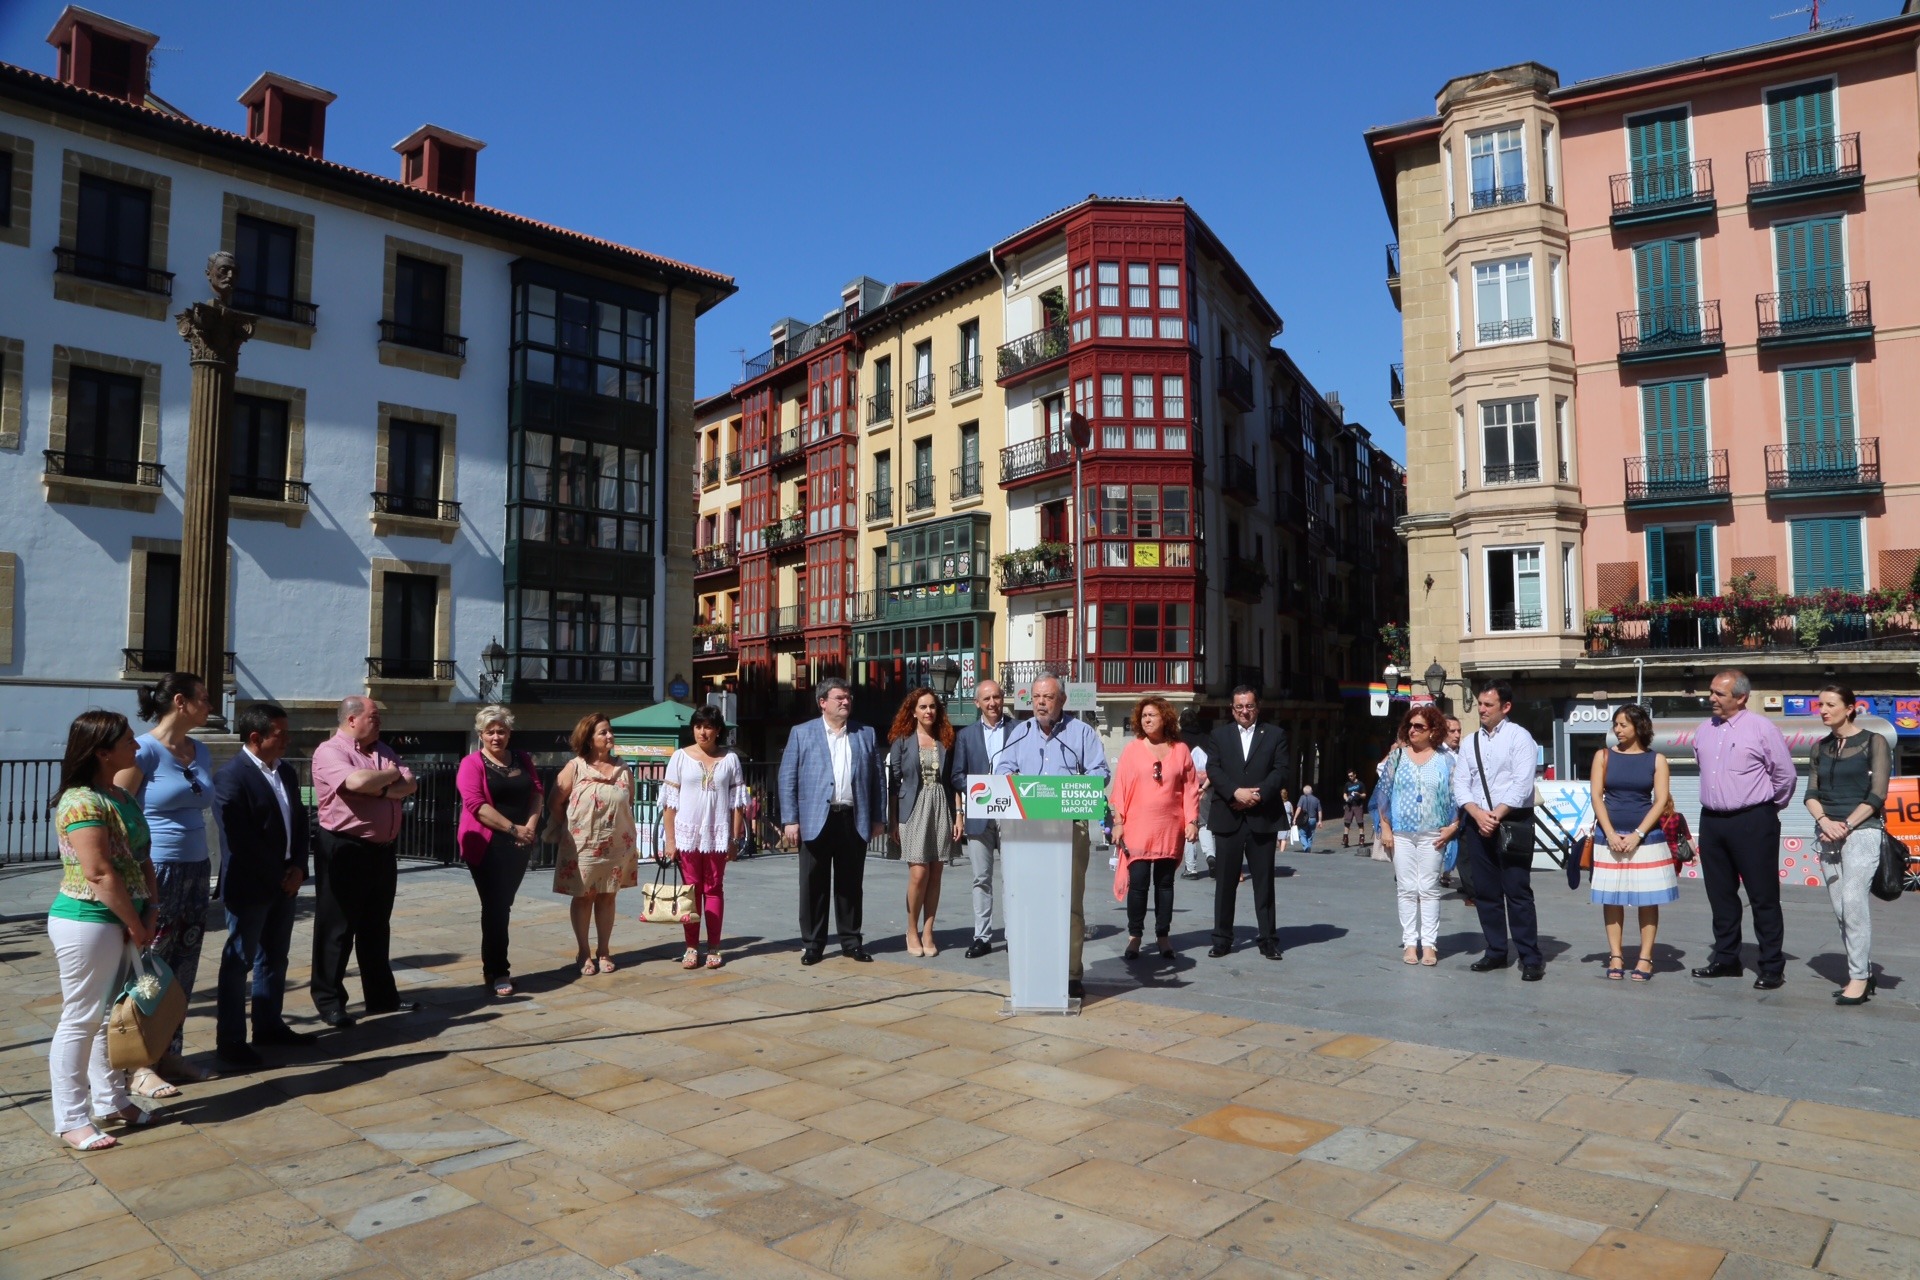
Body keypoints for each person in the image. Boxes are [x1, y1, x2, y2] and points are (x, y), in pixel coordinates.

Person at [48, 710, 156, 1151]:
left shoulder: (119, 795)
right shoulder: (81, 802)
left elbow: (143, 857)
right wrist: (134, 921)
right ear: (101, 752)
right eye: (128, 740)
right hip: (88, 921)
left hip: (125, 920)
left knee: (109, 1015)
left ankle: (111, 1100)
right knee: (81, 1018)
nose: (137, 745)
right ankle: (71, 1117)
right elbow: (97, 871)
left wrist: (150, 913)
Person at [113, 672, 216, 1096]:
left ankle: (170, 1052)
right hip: (158, 870)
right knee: (150, 964)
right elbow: (118, 815)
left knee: (184, 963)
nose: (210, 705)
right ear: (180, 701)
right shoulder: (143, 751)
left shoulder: (201, 750)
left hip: (196, 868)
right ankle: (138, 1063)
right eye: (204, 698)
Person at [994, 674, 1112, 999]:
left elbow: (1101, 773)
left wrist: (1071, 786)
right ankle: (1035, 968)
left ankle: (1071, 974)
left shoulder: (1081, 733)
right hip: (1028, 830)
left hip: (1070, 826)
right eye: (1036, 697)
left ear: (1062, 700)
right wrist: (1015, 781)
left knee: (1069, 902)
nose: (1041, 703)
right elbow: (1002, 769)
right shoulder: (1020, 733)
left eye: (1047, 697)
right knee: (1031, 902)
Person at [212, 702, 316, 1067]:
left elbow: (300, 821)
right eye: (280, 734)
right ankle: (230, 1041)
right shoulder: (231, 776)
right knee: (239, 962)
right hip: (251, 884)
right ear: (256, 737)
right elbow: (240, 840)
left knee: (275, 957)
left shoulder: (285, 770)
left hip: (286, 880)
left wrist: (299, 867)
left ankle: (269, 1025)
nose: (287, 740)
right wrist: (278, 875)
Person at [310, 696, 418, 1026]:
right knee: (337, 927)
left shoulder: (383, 751)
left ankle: (381, 997)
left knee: (376, 927)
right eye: (374, 716)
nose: (379, 722)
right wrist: (388, 779)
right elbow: (355, 782)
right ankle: (330, 1001)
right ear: (352, 719)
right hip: (345, 848)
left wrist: (379, 786)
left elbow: (410, 784)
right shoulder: (330, 751)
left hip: (382, 850)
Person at [1690, 669, 1797, 989]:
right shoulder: (1703, 730)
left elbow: (1785, 776)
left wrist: (1767, 809)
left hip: (1753, 820)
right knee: (1720, 895)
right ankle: (1726, 958)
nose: (1711, 698)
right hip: (1712, 821)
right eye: (1711, 691)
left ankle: (1771, 965)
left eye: (1719, 693)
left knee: (1763, 896)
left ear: (1741, 698)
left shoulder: (1762, 728)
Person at [779, 677, 886, 965]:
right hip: (815, 819)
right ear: (822, 702)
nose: (846, 702)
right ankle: (813, 944)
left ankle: (851, 941)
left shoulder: (865, 733)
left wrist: (878, 817)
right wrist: (790, 819)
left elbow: (878, 779)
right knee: (813, 884)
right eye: (839, 697)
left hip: (853, 817)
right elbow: (787, 777)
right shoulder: (802, 733)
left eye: (848, 697)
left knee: (850, 884)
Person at [1805, 683, 1890, 1005]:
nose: (1823, 710)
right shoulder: (1820, 747)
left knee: (1853, 903)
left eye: (1830, 704)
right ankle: (1862, 971)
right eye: (1820, 705)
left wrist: (1846, 825)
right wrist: (1825, 822)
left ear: (1850, 707)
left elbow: (1878, 794)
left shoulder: (1874, 741)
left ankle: (1858, 978)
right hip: (1827, 834)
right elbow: (1810, 794)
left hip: (1862, 831)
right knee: (1841, 909)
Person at [1455, 680, 1544, 980]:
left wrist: (1494, 815)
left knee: (1517, 890)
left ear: (1505, 707)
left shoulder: (1520, 737)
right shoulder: (1470, 742)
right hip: (1477, 821)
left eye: (1488, 705)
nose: (1481, 709)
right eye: (1480, 704)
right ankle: (1495, 950)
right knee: (1485, 891)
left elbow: (1523, 783)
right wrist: (1476, 814)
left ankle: (1530, 957)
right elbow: (1460, 783)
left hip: (1513, 821)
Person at [456, 705, 543, 997]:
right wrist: (513, 829)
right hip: (486, 844)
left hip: (519, 842)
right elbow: (476, 805)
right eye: (490, 732)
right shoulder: (471, 764)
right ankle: (498, 970)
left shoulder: (522, 758)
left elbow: (537, 792)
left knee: (502, 904)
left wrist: (529, 828)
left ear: (509, 733)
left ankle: (492, 967)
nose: (496, 737)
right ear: (481, 734)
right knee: (495, 905)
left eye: (501, 731)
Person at [1588, 704, 1676, 981]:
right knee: (1611, 898)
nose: (1617, 729)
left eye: (1623, 724)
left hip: (1647, 838)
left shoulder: (1657, 760)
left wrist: (1638, 833)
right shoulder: (1603, 756)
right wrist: (1610, 833)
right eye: (1615, 724)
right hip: (1609, 837)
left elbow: (1661, 800)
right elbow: (1596, 796)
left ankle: (1645, 958)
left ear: (1639, 727)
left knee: (1648, 900)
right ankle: (1615, 955)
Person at [1110, 696, 1199, 962]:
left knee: (1164, 884)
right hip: (1137, 827)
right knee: (1138, 884)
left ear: (1165, 718)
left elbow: (1191, 789)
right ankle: (1134, 936)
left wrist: (1192, 821)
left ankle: (1163, 936)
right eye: (1144, 716)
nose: (1147, 719)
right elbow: (1120, 788)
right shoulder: (1132, 750)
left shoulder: (1181, 750)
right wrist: (1118, 823)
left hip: (1169, 827)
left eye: (1152, 715)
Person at [550, 712, 639, 975]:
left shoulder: (623, 769)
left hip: (616, 846)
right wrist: (572, 827)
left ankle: (604, 950)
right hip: (583, 845)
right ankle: (583, 952)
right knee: (583, 896)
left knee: (608, 896)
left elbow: (629, 802)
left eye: (610, 731)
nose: (610, 735)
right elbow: (555, 802)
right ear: (589, 738)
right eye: (603, 732)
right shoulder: (575, 767)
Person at [1206, 686, 1291, 960]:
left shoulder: (1275, 735)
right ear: (1232, 709)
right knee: (1225, 883)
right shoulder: (1219, 736)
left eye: (1249, 706)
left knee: (1264, 884)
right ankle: (1222, 939)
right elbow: (1213, 769)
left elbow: (1281, 770)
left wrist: (1257, 795)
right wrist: (1235, 792)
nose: (1245, 711)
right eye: (1239, 707)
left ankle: (1268, 939)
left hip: (1262, 817)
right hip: (1228, 817)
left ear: (1258, 707)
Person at [661, 705, 747, 970]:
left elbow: (737, 803)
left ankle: (713, 947)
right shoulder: (680, 757)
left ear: (717, 730)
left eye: (708, 726)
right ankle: (691, 946)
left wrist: (734, 840)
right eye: (698, 726)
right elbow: (669, 803)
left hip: (717, 835)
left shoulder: (730, 759)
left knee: (713, 889)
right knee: (691, 890)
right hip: (687, 835)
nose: (702, 732)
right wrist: (670, 840)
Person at [1378, 705, 1459, 966]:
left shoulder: (1446, 760)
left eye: (1419, 726)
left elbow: (1457, 795)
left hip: (1434, 831)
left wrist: (1454, 826)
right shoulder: (1397, 757)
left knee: (1429, 888)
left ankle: (1430, 944)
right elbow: (1383, 793)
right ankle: (1410, 943)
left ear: (1433, 730)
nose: (1412, 730)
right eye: (1410, 725)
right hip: (1402, 832)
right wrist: (1385, 828)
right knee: (1406, 888)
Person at [889, 687, 956, 956]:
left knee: (936, 872)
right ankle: (911, 930)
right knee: (919, 873)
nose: (929, 711)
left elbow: (952, 781)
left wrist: (959, 814)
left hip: (941, 806)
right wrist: (892, 820)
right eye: (923, 707)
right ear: (913, 712)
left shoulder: (946, 739)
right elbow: (894, 784)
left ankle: (928, 931)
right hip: (913, 808)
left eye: (932, 706)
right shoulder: (902, 741)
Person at [949, 679, 1009, 957]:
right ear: (977, 703)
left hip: (1011, 815)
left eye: (996, 697)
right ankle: (982, 937)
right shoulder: (965, 735)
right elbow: (956, 775)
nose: (993, 703)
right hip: (979, 814)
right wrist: (978, 789)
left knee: (1012, 879)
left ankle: (1013, 935)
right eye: (987, 699)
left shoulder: (1020, 729)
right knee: (981, 878)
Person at [1179, 707, 1216, 878]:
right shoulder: (1207, 739)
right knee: (1204, 824)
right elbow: (1215, 765)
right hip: (1207, 788)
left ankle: (1191, 868)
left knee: (1189, 824)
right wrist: (1205, 787)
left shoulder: (1178, 740)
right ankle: (1211, 856)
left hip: (1185, 788)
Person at [1440, 717, 1464, 889]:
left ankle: (1448, 873)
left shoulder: (1463, 753)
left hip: (1462, 805)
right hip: (1442, 806)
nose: (1457, 735)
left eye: (1459, 731)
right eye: (1452, 731)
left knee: (1459, 842)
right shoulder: (1436, 753)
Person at [1342, 771, 1367, 846]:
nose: (1350, 777)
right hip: (1349, 806)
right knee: (1347, 822)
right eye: (1349, 776)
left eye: (1351, 776)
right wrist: (1346, 798)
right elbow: (1344, 793)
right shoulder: (1347, 784)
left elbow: (1364, 795)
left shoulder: (1360, 784)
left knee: (1360, 822)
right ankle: (1345, 838)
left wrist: (1359, 795)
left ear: (1355, 775)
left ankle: (1361, 838)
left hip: (1358, 805)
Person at [1295, 785, 1321, 852]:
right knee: (1310, 835)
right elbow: (1319, 811)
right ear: (1311, 791)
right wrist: (1320, 821)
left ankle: (1306, 847)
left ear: (1304, 792)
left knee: (1302, 834)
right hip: (1313, 819)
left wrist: (1295, 818)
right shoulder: (1316, 799)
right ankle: (1308, 848)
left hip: (1304, 819)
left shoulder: (1302, 798)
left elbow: (1299, 808)